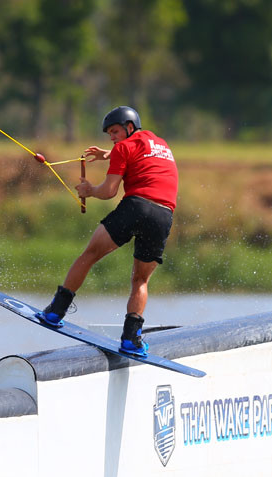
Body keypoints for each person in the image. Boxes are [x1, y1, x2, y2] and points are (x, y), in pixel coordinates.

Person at [37, 106, 178, 357]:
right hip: (163, 216)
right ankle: (131, 338)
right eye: (109, 134)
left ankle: (55, 311)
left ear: (129, 127)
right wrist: (109, 155)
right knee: (141, 280)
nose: (112, 137)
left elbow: (110, 190)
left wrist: (90, 190)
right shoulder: (160, 143)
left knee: (89, 255)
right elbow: (137, 152)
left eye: (114, 131)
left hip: (136, 207)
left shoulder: (123, 148)